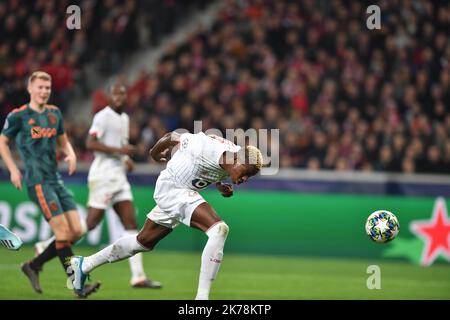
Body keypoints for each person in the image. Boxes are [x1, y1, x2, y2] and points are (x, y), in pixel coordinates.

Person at [71, 131, 264, 300]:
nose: (245, 179)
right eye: (246, 173)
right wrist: (154, 154)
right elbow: (172, 137)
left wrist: (221, 186)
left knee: (142, 242)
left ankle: (84, 264)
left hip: (181, 193)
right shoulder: (204, 147)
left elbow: (217, 171)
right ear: (238, 160)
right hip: (171, 187)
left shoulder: (233, 156)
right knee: (219, 230)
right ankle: (202, 299)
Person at [0, 71, 100, 298]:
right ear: (30, 89)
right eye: (40, 87)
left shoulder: (54, 114)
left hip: (56, 180)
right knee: (63, 233)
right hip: (38, 182)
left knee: (76, 231)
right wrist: (14, 169)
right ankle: (78, 284)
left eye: (47, 87)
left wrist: (71, 154)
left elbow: (62, 139)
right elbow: (2, 141)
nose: (44, 91)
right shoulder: (19, 116)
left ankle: (33, 265)